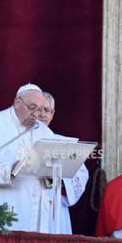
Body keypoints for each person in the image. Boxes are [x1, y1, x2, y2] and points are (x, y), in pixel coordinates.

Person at [0, 84, 64, 233]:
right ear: (17, 102)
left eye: (41, 109)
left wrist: (51, 174)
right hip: (2, 204)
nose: (37, 115)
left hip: (35, 209)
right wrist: (10, 170)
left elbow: (51, 172)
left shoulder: (44, 132)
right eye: (32, 107)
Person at [38, 91, 89, 234]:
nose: (42, 114)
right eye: (39, 110)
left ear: (52, 114)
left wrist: (61, 182)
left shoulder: (64, 143)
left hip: (55, 209)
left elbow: (81, 174)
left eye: (47, 110)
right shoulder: (20, 141)